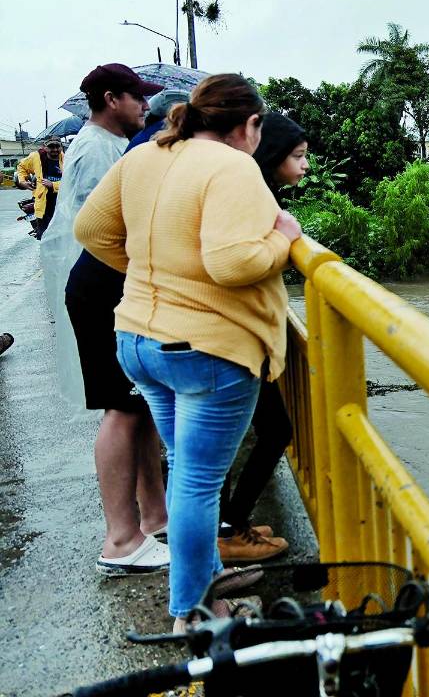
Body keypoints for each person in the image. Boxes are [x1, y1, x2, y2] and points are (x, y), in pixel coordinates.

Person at [74, 74, 302, 631]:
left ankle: (204, 583)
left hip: (138, 340)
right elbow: (233, 263)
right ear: (250, 125)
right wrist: (284, 238)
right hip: (206, 351)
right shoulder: (233, 166)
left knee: (184, 471)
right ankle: (196, 612)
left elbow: (90, 230)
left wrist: (159, 274)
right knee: (199, 482)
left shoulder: (144, 155)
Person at [42, 64, 171, 577]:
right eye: (137, 96)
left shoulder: (110, 144)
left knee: (139, 405)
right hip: (103, 289)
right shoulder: (97, 149)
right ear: (111, 98)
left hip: (111, 286)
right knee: (121, 407)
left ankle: (154, 517)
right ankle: (120, 539)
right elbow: (110, 226)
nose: (145, 106)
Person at [216, 113, 309, 563]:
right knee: (267, 432)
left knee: (251, 434)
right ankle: (228, 530)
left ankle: (231, 523)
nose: (305, 165)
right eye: (299, 156)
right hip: (239, 334)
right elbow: (243, 261)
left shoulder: (255, 192)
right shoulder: (253, 195)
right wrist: (284, 242)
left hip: (240, 332)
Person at [15, 138, 64, 239]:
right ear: (45, 147)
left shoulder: (67, 158)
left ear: (61, 147)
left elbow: (72, 180)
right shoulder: (36, 157)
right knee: (45, 235)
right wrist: (22, 181)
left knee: (62, 235)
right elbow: (21, 166)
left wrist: (53, 185)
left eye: (57, 146)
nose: (55, 149)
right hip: (43, 204)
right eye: (51, 146)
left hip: (62, 202)